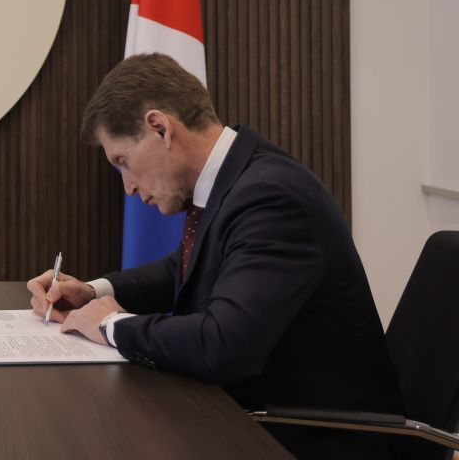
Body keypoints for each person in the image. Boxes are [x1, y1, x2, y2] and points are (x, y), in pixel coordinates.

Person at [28, 53, 402, 459]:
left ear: (160, 128)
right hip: (255, 416)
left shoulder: (271, 198)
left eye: (123, 162)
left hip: (314, 440)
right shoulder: (238, 179)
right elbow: (183, 269)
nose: (129, 187)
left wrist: (111, 324)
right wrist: (92, 291)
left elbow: (224, 345)